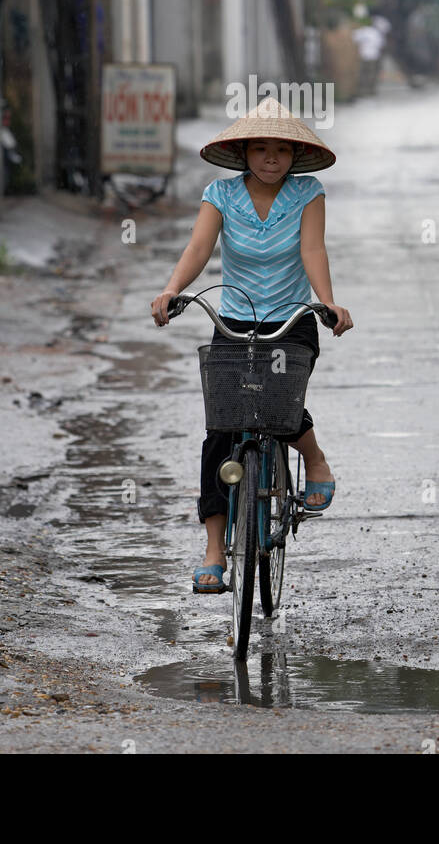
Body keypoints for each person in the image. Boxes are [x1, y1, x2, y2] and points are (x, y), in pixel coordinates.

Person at [150, 97, 353, 593]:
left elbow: (312, 249)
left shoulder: (308, 193)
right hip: (234, 320)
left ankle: (315, 457)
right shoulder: (220, 194)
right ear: (242, 152)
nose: (270, 159)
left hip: (291, 322)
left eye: (281, 150)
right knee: (222, 427)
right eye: (260, 149)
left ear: (294, 156)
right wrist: (172, 290)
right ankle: (214, 551)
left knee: (277, 405)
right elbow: (198, 248)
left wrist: (328, 304)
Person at [352, 19, 384, 94]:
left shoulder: (360, 31)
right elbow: (380, 44)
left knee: (362, 74)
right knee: (371, 74)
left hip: (362, 55)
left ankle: (362, 89)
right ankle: (370, 89)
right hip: (373, 55)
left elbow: (353, 40)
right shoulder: (375, 32)